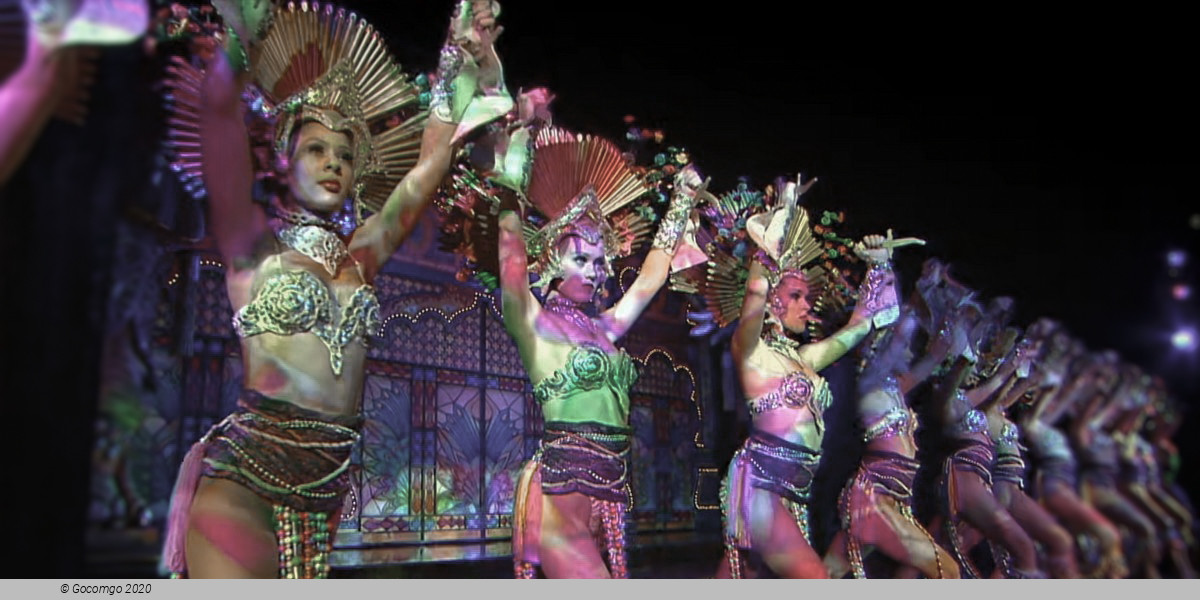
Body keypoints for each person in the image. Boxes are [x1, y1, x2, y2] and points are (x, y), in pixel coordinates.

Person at [158, 0, 511, 578]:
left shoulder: (361, 258)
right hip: (244, 483)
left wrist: (460, 59)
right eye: (316, 150)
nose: (334, 165)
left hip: (324, 493)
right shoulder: (253, 245)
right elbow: (220, 120)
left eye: (346, 156)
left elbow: (427, 170)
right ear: (282, 159)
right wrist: (242, 39)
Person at [486, 125, 705, 578]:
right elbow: (511, 260)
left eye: (599, 261)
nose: (592, 271)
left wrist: (682, 202)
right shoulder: (534, 322)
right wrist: (513, 182)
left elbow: (651, 277)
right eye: (580, 259)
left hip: (609, 491)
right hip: (560, 495)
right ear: (551, 259)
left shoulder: (607, 327)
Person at [714, 176, 916, 578]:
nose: (807, 305)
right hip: (761, 489)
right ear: (771, 301)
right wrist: (780, 222)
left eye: (807, 297)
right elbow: (754, 293)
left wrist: (878, 266)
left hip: (793, 493)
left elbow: (860, 326)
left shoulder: (805, 358)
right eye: (796, 296)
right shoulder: (751, 351)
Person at [823, 303, 961, 578]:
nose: (910, 352)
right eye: (904, 344)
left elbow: (935, 356)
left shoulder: (894, 386)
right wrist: (904, 315)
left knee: (827, 574)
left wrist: (953, 313)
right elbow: (892, 347)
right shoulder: (867, 381)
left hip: (892, 500)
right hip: (871, 500)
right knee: (948, 571)